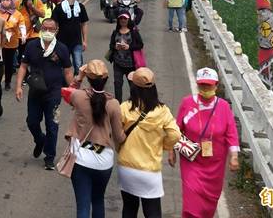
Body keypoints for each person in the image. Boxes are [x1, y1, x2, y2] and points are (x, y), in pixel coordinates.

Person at [169, 67, 240, 218]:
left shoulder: (224, 107)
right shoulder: (187, 103)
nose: (205, 88)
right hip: (191, 161)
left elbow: (231, 133)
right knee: (191, 203)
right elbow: (176, 130)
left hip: (215, 165)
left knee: (208, 207)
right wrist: (171, 151)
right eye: (202, 85)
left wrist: (234, 156)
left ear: (216, 85)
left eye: (209, 85)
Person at [61, 60, 126, 218]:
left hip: (81, 158)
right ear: (106, 79)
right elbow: (119, 137)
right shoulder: (113, 104)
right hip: (104, 160)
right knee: (98, 201)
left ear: (89, 78)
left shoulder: (78, 97)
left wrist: (79, 77)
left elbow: (66, 91)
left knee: (82, 206)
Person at [118, 68, 181, 218]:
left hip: (127, 166)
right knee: (152, 212)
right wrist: (164, 145)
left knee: (129, 209)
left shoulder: (125, 107)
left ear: (134, 87)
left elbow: (115, 132)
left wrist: (120, 147)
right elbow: (176, 134)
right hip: (149, 170)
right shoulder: (162, 111)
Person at [15, 17, 73, 170]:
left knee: (52, 125)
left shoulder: (62, 49)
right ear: (41, 29)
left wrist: (73, 92)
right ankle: (40, 140)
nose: (47, 31)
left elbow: (67, 71)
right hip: (35, 92)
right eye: (45, 28)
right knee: (32, 122)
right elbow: (23, 66)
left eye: (51, 29)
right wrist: (18, 86)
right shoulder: (32, 46)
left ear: (56, 30)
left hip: (54, 94)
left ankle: (49, 157)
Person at [52, 0, 88, 75]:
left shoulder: (80, 7)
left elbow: (84, 24)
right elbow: (54, 25)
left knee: (78, 65)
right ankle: (65, 84)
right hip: (62, 42)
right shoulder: (59, 8)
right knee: (64, 65)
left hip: (76, 42)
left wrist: (85, 41)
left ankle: (76, 84)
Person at [108, 13, 143, 102]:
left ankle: (133, 105)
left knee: (133, 86)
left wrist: (129, 47)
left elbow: (140, 45)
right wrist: (115, 47)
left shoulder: (134, 32)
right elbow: (111, 45)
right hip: (118, 64)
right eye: (121, 18)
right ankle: (118, 106)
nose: (123, 20)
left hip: (130, 65)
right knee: (117, 85)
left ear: (128, 20)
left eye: (125, 18)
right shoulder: (115, 32)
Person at [0, 0, 22, 90]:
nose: (5, 2)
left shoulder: (17, 14)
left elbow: (21, 25)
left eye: (8, 0)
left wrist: (23, 34)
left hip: (11, 43)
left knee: (8, 64)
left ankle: (7, 82)